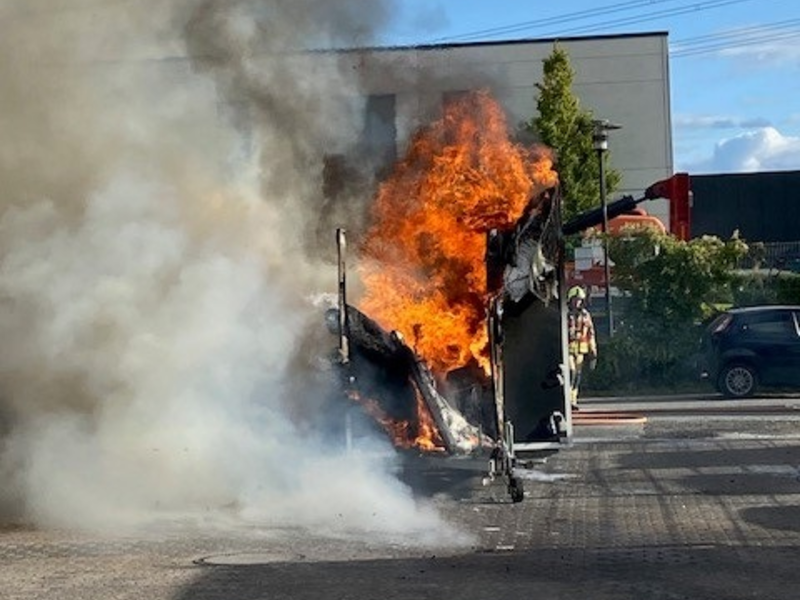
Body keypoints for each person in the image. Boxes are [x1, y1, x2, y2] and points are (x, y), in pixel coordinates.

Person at [567, 285, 597, 409]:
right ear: (570, 300)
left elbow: (591, 334)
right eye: (575, 299)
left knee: (577, 376)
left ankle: (573, 400)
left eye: (579, 299)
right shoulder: (565, 314)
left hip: (581, 350)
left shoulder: (586, 315)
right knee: (571, 372)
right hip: (567, 350)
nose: (577, 302)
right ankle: (567, 400)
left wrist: (593, 352)